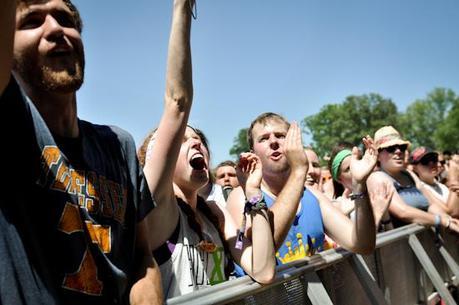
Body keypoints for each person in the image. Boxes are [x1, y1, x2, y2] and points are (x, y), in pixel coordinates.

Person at [0, 1, 162, 304]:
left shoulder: (118, 145)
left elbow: (142, 257)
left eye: (65, 19)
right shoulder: (10, 125)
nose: (55, 29)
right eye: (32, 22)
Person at [139, 0, 275, 298]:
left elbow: (261, 267)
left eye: (198, 140)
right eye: (182, 141)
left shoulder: (215, 216)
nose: (196, 142)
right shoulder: (157, 207)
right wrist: (181, 10)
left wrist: (254, 195)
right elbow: (177, 102)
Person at [227, 112, 377, 266]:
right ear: (253, 152)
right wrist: (299, 170)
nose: (273, 142)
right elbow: (264, 258)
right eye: (264, 138)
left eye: (280, 136)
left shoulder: (311, 195)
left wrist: (359, 185)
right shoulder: (242, 197)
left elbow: (363, 244)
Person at [366, 126, 459, 233]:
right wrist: (441, 221)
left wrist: (447, 219)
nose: (398, 151)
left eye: (402, 147)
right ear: (377, 155)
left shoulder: (408, 175)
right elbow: (403, 212)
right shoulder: (377, 177)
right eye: (391, 148)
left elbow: (429, 204)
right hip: (399, 247)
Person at [328, 143, 394, 231]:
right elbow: (363, 242)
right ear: (339, 179)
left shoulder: (376, 195)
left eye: (358, 161)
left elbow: (392, 235)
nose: (356, 169)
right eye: (348, 168)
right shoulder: (338, 206)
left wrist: (385, 216)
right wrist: (378, 214)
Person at [410, 147, 459, 218]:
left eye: (434, 159)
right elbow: (451, 214)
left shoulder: (442, 186)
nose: (432, 163)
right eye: (426, 161)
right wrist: (454, 177)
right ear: (415, 168)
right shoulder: (420, 189)